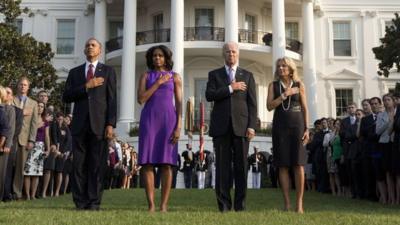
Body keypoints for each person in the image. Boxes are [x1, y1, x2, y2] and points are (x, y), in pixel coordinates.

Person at [63, 37, 117, 210]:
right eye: (87, 45)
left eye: (93, 45)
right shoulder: (75, 72)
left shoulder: (108, 71)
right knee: (78, 165)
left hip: (99, 126)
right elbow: (66, 96)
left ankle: (94, 201)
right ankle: (80, 202)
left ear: (99, 50)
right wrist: (87, 85)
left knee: (96, 165)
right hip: (79, 125)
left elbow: (112, 99)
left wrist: (110, 124)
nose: (90, 47)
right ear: (84, 50)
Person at [205, 41, 257, 212]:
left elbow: (252, 104)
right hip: (221, 128)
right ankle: (224, 206)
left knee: (241, 168)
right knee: (222, 168)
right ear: (223, 54)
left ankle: (240, 206)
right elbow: (209, 95)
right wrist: (230, 88)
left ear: (238, 54)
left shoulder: (247, 75)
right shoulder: (215, 74)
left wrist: (251, 126)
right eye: (228, 52)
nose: (231, 54)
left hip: (242, 128)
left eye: (234, 51)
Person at [137, 45, 182, 212]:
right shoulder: (146, 76)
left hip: (168, 121)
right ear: (151, 58)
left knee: (166, 164)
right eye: (155, 56)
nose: (157, 58)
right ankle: (151, 205)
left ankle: (163, 205)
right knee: (147, 164)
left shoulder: (175, 77)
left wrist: (178, 126)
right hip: (149, 121)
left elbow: (178, 103)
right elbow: (141, 99)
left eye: (161, 56)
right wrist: (157, 83)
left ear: (166, 58)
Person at [266, 57, 309, 213]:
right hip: (280, 127)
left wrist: (307, 129)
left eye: (284, 66)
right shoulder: (273, 85)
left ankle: (299, 204)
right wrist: (285, 94)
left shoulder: (300, 85)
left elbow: (305, 108)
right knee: (282, 165)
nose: (281, 68)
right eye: (279, 66)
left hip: (297, 126)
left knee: (298, 164)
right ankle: (287, 204)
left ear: (291, 68)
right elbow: (269, 106)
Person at [12, 76, 39, 200]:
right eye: (21, 84)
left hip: (24, 140)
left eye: (25, 85)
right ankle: (5, 191)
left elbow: (34, 124)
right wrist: (21, 112)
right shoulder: (11, 100)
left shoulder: (34, 104)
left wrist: (31, 140)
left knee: (19, 168)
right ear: (17, 86)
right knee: (7, 166)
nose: (22, 86)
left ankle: (16, 193)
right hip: (10, 138)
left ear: (28, 87)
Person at [23, 102, 50, 200]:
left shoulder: (45, 121)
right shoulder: (30, 118)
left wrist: (48, 149)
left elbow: (47, 136)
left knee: (36, 172)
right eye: (38, 106)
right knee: (28, 171)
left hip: (40, 146)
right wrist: (37, 126)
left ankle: (33, 195)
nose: (40, 108)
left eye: (42, 106)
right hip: (30, 144)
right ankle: (27, 195)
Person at [376, 93, 396, 204]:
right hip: (384, 144)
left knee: (396, 172)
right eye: (384, 100)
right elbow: (377, 131)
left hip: (396, 143)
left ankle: (397, 198)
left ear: (393, 101)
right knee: (388, 171)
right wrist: (388, 121)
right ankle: (390, 198)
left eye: (388, 99)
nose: (386, 102)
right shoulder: (381, 115)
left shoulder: (398, 112)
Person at [0, 86, 14, 201]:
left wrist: (7, 145)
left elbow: (10, 128)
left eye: (9, 93)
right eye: (6, 92)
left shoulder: (10, 109)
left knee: (1, 172)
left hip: (4, 145)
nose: (7, 94)